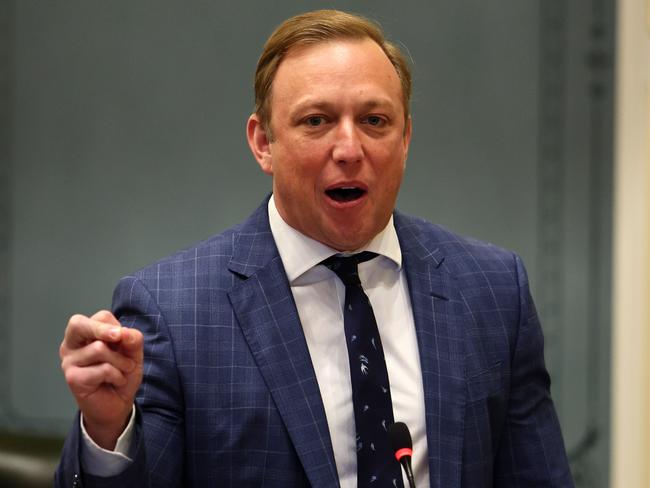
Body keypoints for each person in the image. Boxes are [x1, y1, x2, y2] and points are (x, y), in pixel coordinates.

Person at [56, 9, 573, 488]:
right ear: (264, 143)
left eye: (375, 121)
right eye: (316, 121)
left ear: (406, 138)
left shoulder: (493, 290)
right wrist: (108, 431)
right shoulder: (171, 309)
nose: (349, 150)